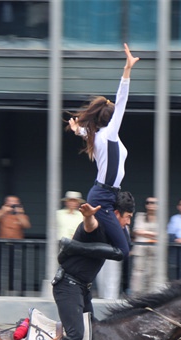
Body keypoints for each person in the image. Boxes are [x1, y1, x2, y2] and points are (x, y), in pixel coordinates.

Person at [36, 191, 134, 340]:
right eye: (127, 217)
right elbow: (91, 227)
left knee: (93, 331)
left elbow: (125, 247)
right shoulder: (96, 225)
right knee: (75, 335)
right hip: (67, 286)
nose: (128, 222)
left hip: (82, 288)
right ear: (116, 214)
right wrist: (88, 215)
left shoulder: (117, 230)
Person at [67, 43, 139, 261]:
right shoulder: (108, 135)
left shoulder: (99, 136)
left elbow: (84, 132)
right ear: (111, 118)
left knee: (126, 243)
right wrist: (127, 70)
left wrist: (76, 129)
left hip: (109, 194)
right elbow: (122, 99)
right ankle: (76, 248)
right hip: (103, 196)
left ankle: (86, 245)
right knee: (124, 251)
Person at [130, 196, 159, 294]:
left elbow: (161, 234)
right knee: (138, 272)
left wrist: (144, 233)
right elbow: (137, 231)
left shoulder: (160, 218)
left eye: (154, 203)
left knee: (152, 273)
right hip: (140, 249)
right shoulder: (140, 216)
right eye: (148, 203)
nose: (151, 205)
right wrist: (153, 235)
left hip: (154, 251)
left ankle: (150, 295)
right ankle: (136, 294)